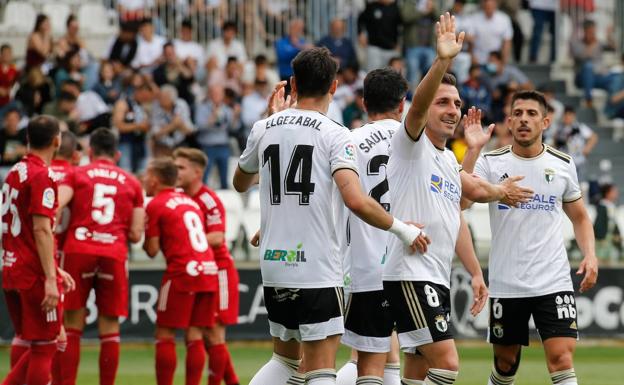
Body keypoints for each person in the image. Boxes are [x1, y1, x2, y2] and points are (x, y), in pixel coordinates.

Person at [233, 47, 427, 385]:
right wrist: (403, 230)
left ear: (292, 83)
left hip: (275, 265)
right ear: (334, 86)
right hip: (318, 269)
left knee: (285, 361)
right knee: (321, 368)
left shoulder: (264, 127)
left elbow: (240, 183)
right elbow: (354, 199)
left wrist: (272, 119)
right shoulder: (335, 133)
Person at [382, 14, 532, 385]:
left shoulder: (446, 158)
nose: (454, 110)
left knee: (417, 371)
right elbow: (416, 108)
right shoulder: (410, 144)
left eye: (457, 104)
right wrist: (443, 61)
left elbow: (459, 207)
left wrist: (476, 272)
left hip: (436, 274)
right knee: (447, 363)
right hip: (410, 274)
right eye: (443, 103)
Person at [463, 90, 599, 385]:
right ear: (509, 122)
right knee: (505, 363)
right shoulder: (491, 163)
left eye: (532, 114)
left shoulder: (562, 164)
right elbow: (461, 202)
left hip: (553, 280)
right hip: (507, 283)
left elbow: (580, 217)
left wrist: (590, 254)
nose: (524, 119)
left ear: (546, 122)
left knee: (562, 358)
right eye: (518, 114)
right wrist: (473, 150)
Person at [57, 127, 145, 385]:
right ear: (117, 154)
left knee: (72, 322)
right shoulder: (131, 182)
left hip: (78, 249)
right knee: (110, 327)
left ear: (90, 152)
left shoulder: (77, 174)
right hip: (113, 252)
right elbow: (137, 234)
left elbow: (56, 206)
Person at [2, 115, 75, 385]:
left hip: (12, 266)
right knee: (48, 344)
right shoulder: (42, 176)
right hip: (32, 273)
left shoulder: (14, 172)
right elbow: (42, 230)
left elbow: (19, 229)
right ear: (57, 141)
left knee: (30, 340)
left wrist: (54, 268)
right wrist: (51, 279)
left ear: (27, 139)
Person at [143, 157, 218, 385]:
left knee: (164, 334)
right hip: (208, 270)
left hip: (182, 273)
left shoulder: (155, 204)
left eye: (146, 175)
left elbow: (152, 250)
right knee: (195, 335)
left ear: (155, 180)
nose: (143, 179)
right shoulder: (189, 201)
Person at [173, 148, 241, 385]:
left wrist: (184, 239)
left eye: (181, 167)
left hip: (218, 270)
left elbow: (217, 237)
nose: (176, 171)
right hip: (197, 272)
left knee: (213, 333)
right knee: (194, 333)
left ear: (197, 171)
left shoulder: (207, 199)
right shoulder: (178, 197)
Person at [195, 84, 236, 188]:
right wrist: (211, 119)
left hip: (223, 146)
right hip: (208, 146)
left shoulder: (227, 109)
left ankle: (225, 200)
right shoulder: (202, 108)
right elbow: (198, 126)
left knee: (224, 177)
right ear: (210, 94)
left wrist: (235, 117)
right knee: (204, 176)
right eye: (214, 93)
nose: (217, 96)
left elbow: (232, 128)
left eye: (219, 94)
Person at [112, 73, 153, 173]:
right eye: (144, 96)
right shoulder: (123, 103)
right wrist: (138, 126)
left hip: (141, 144)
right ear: (138, 92)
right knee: (126, 172)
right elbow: (118, 125)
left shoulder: (143, 107)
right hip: (125, 143)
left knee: (142, 173)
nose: (146, 99)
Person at [550, 105, 598, 182]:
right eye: (566, 115)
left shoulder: (579, 127)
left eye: (570, 115)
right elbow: (554, 141)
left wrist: (587, 149)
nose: (567, 117)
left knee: (579, 184)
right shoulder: (559, 128)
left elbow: (593, 137)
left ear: (574, 116)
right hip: (563, 161)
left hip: (578, 161)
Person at [151, 85, 194, 157]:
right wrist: (174, 125)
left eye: (164, 97)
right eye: (160, 97)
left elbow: (189, 131)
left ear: (172, 99)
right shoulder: (155, 106)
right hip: (162, 147)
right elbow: (155, 135)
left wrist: (178, 125)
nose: (160, 99)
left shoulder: (181, 105)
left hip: (180, 145)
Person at [401, 0, 437, 87]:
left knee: (430, 71)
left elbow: (440, 16)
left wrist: (432, 8)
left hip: (429, 46)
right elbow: (406, 17)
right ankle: (411, 97)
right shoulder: (410, 2)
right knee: (412, 73)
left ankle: (425, 94)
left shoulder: (431, 2)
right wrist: (423, 12)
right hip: (413, 46)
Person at [357, 0, 401, 72]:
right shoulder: (372, 7)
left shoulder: (396, 7)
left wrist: (400, 44)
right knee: (373, 73)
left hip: (391, 48)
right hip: (374, 47)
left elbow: (403, 25)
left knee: (393, 75)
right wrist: (360, 33)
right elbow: (360, 20)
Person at [466, 0, 513, 65]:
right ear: (483, 5)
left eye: (491, 6)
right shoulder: (474, 19)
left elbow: (507, 43)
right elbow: (470, 42)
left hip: (496, 61)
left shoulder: (504, 19)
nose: (489, 8)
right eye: (487, 6)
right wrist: (472, 58)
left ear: (495, 5)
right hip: (478, 61)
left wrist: (503, 63)